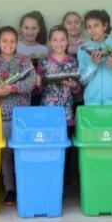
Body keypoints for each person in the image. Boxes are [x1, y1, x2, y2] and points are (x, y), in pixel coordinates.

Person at [0, 26, 36, 205]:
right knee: (5, 154)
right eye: (4, 41)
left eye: (12, 41)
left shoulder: (24, 61)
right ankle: (10, 190)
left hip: (22, 115)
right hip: (2, 114)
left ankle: (24, 186)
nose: (8, 44)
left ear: (17, 43)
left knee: (22, 152)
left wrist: (12, 88)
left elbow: (30, 84)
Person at [36, 25, 80, 186]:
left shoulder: (73, 61)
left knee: (65, 146)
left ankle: (63, 181)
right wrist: (38, 83)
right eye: (55, 39)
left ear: (68, 41)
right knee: (48, 145)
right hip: (47, 110)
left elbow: (77, 89)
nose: (58, 43)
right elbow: (38, 88)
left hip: (66, 112)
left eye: (62, 39)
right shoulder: (44, 61)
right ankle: (49, 177)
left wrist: (73, 85)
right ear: (49, 41)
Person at [77, 9, 112, 105]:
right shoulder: (83, 49)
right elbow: (82, 80)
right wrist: (93, 65)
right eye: (89, 27)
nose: (92, 30)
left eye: (96, 26)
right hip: (91, 100)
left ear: (104, 26)